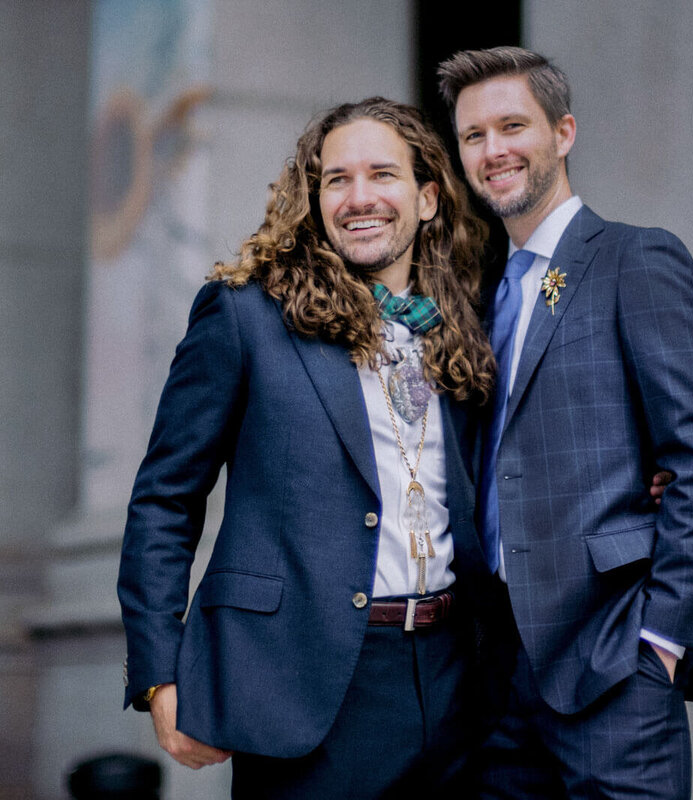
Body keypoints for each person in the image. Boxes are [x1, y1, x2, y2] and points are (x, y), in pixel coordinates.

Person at [117, 97, 497, 799]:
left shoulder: (464, 327)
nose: (359, 199)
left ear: (429, 197)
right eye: (335, 180)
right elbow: (164, 500)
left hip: (456, 684)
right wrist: (158, 674)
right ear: (313, 197)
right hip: (308, 684)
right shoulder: (244, 315)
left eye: (382, 175)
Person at [438, 46, 693, 799]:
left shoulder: (636, 260)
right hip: (498, 676)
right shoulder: (480, 296)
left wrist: (663, 641)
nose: (493, 150)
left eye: (513, 126)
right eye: (473, 135)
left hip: (613, 663)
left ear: (563, 132)